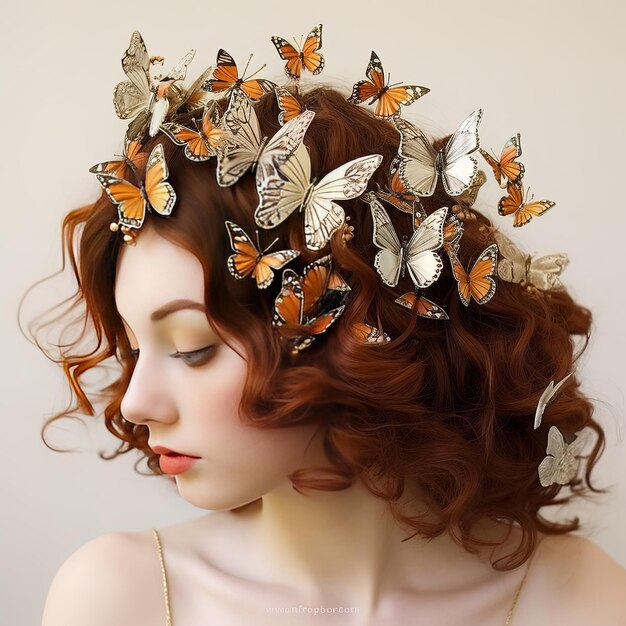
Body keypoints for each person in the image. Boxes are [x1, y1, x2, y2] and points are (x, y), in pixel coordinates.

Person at [37, 29, 626, 626]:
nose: (136, 405)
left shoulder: (579, 601)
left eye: (193, 348)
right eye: (136, 351)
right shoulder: (117, 599)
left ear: (353, 328)